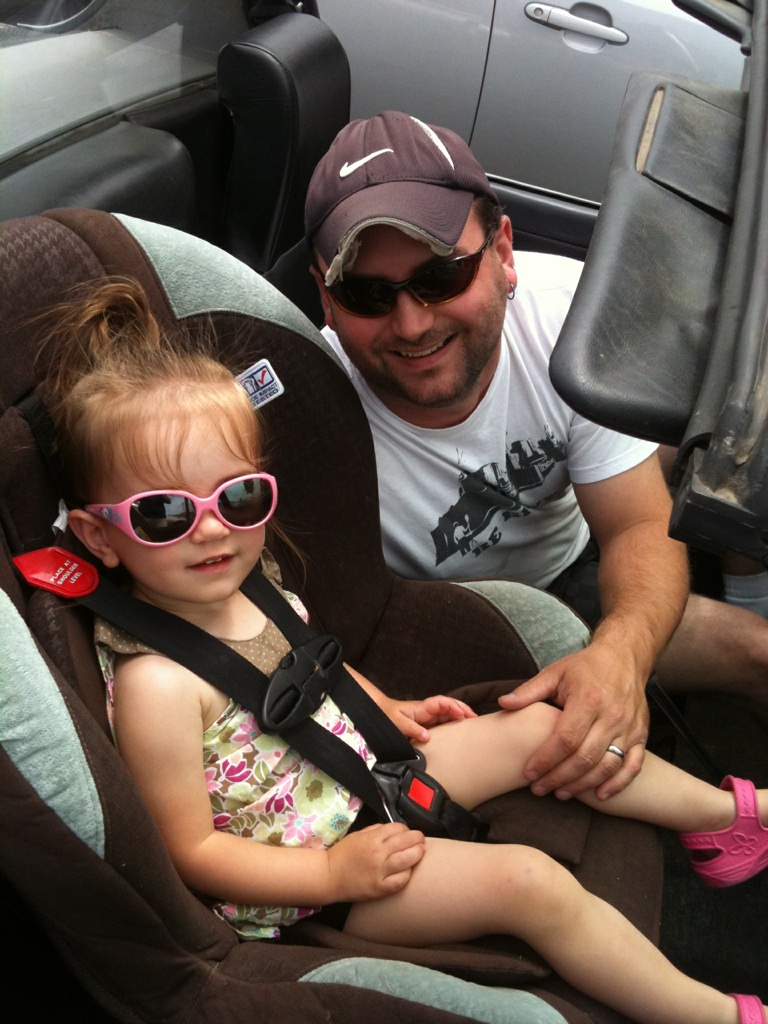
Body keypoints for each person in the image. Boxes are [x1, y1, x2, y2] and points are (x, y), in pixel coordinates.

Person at [39, 276, 768, 1024]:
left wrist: (384, 707)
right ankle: (713, 1016)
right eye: (163, 514)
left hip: (363, 769)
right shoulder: (159, 684)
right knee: (530, 883)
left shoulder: (246, 581)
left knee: (551, 728)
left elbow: (306, 664)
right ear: (100, 536)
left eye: (240, 497)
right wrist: (333, 874)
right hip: (315, 876)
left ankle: (727, 818)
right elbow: (191, 851)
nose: (214, 529)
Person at [304, 110, 768, 802]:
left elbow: (636, 524)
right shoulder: (305, 405)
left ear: (503, 251)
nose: (412, 323)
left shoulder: (568, 317)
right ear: (325, 298)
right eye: (367, 294)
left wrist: (621, 654)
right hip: (450, 626)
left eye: (441, 276)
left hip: (579, 566)